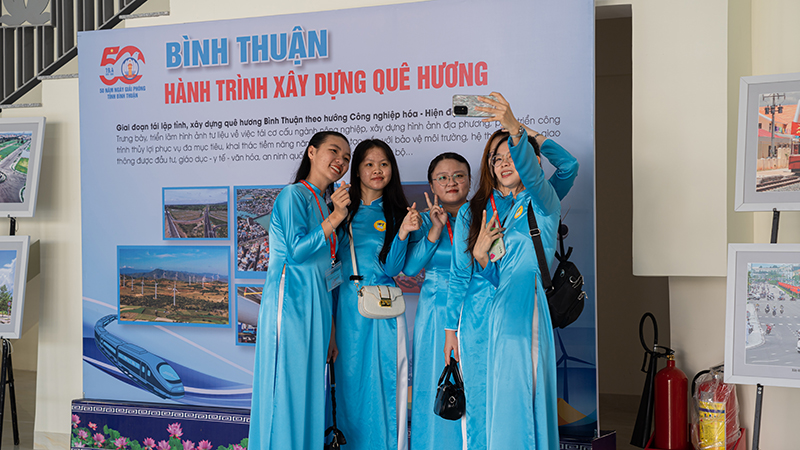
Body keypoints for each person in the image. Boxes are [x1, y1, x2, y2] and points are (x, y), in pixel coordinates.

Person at [444, 118, 578, 449]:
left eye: (512, 155)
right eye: (496, 158)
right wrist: (450, 329)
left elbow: (569, 167)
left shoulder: (535, 200)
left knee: (517, 396)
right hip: (478, 316)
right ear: (488, 165)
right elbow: (460, 273)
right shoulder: (472, 211)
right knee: (484, 400)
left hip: (517, 307)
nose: (504, 163)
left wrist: (525, 133)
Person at [248, 131, 352, 450]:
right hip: (290, 303)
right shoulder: (293, 195)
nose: (340, 160)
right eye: (334, 151)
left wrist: (331, 328)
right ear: (311, 152)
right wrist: (336, 217)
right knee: (286, 389)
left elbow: (330, 270)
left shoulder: (325, 202)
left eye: (346, 157)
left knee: (308, 391)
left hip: (317, 306)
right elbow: (296, 252)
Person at [336, 139, 420, 450]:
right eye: (369, 164)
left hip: (383, 311)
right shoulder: (341, 211)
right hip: (345, 308)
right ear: (357, 170)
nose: (377, 170)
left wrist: (403, 233)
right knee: (348, 385)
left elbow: (394, 268)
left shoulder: (399, 212)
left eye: (383, 164)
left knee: (385, 385)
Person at [403, 152, 472, 450]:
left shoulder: (484, 215)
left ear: (470, 180)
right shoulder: (423, 220)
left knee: (475, 381)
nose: (451, 182)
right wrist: (435, 229)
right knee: (437, 380)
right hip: (435, 312)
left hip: (476, 308)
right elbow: (410, 268)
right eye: (442, 177)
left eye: (458, 175)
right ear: (432, 185)